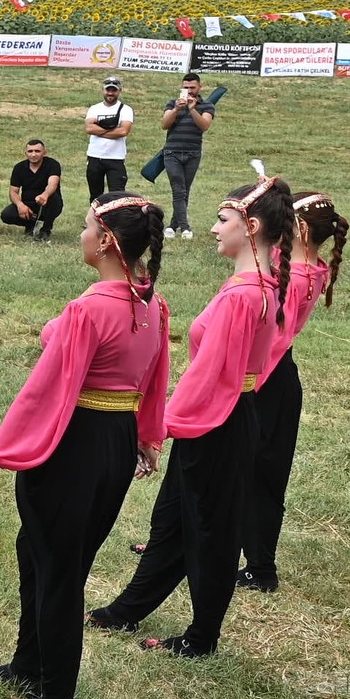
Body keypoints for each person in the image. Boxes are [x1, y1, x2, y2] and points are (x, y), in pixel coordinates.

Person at [0, 194, 171, 699]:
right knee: (41, 554)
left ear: (106, 241)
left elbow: (43, 392)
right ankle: (27, 663)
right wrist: (148, 436)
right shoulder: (149, 302)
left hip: (73, 443)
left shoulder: (90, 309)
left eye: (85, 226)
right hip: (114, 443)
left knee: (59, 571)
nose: (80, 234)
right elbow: (154, 376)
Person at [90, 176, 292, 657]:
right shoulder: (256, 285)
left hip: (216, 422)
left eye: (223, 220)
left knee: (209, 532)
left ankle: (201, 639)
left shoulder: (245, 294)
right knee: (176, 523)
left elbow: (210, 375)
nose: (214, 228)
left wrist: (159, 428)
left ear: (252, 226)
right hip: (222, 418)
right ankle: (127, 610)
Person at [240, 191, 346, 593]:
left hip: (268, 381)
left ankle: (260, 567)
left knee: (262, 475)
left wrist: (241, 391)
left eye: (283, 220)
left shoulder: (298, 277)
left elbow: (274, 343)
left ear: (299, 229)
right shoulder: (307, 267)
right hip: (273, 379)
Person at [158, 72, 214, 239]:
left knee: (184, 191)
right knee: (178, 189)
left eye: (192, 87)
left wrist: (192, 108)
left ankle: (172, 226)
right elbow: (164, 125)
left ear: (199, 87)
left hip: (193, 153)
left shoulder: (207, 106)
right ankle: (185, 228)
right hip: (172, 152)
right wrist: (176, 109)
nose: (189, 91)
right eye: (185, 87)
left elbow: (204, 125)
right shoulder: (172, 103)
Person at [1, 138, 65, 241]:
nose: (33, 154)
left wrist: (44, 195)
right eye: (30, 151)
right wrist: (20, 205)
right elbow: (13, 191)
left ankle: (45, 230)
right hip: (28, 204)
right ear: (26, 153)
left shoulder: (52, 164)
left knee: (53, 198)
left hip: (48, 203)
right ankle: (30, 224)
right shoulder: (19, 167)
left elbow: (52, 184)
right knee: (6, 215)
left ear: (44, 152)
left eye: (37, 151)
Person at [83, 76, 133, 201]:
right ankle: (95, 220)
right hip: (95, 157)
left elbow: (123, 131)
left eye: (114, 90)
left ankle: (115, 220)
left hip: (116, 158)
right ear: (103, 90)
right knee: (95, 195)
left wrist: (98, 131)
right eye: (108, 90)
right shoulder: (94, 108)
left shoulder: (126, 109)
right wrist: (112, 131)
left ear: (119, 91)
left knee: (117, 195)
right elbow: (89, 129)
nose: (110, 93)